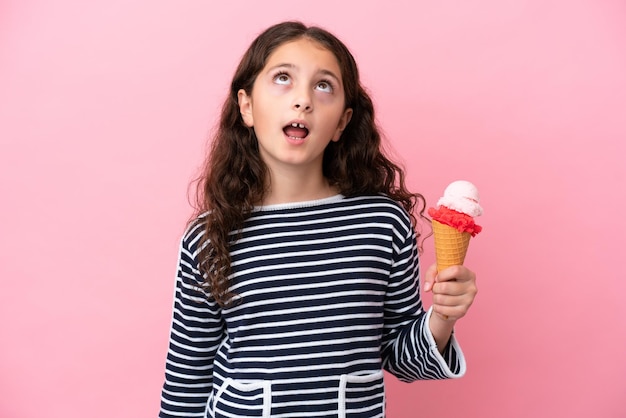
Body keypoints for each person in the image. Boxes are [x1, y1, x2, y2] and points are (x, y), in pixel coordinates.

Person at [159, 21, 478, 418]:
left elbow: (401, 357)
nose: (303, 100)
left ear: (342, 122)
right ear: (246, 106)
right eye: (282, 78)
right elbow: (186, 382)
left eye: (323, 85)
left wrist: (443, 317)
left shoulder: (383, 223)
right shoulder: (209, 236)